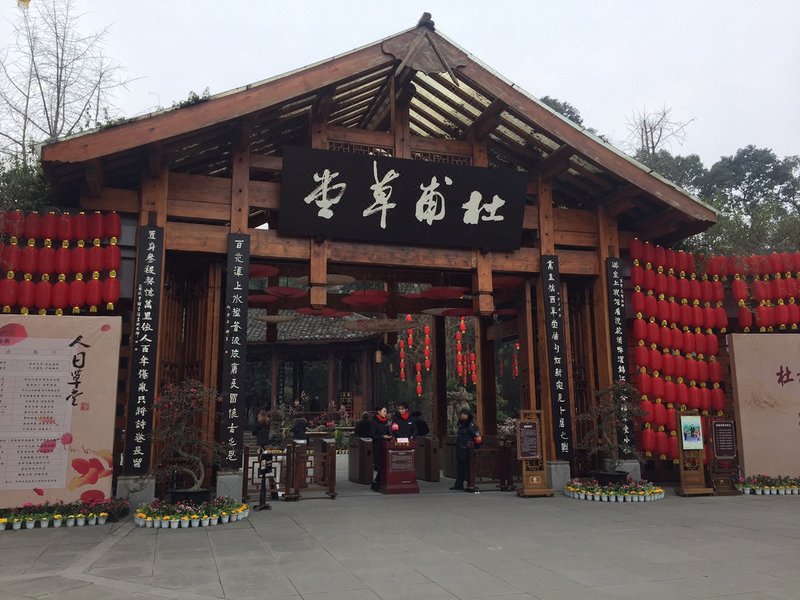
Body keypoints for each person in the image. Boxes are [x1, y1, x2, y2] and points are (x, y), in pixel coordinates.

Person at [451, 409, 482, 491]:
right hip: (460, 449)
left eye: (464, 414)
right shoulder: (461, 425)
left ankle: (470, 484)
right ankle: (458, 485)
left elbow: (478, 438)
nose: (462, 415)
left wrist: (475, 448)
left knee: (468, 468)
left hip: (468, 450)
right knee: (460, 468)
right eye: (461, 414)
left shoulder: (471, 425)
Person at [369, 406, 392, 490]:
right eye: (384, 411)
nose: (385, 413)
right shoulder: (374, 422)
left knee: (385, 465)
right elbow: (372, 435)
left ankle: (381, 483)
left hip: (386, 446)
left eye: (386, 411)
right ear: (379, 411)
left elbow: (389, 432)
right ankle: (376, 483)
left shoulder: (386, 422)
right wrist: (382, 436)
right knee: (378, 466)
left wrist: (390, 436)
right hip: (377, 446)